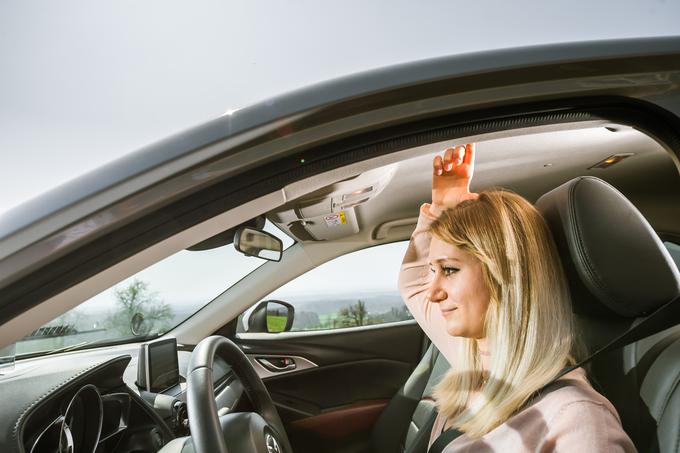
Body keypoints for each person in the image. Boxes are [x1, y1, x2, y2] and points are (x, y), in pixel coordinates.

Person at [399, 143, 636, 452]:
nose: (432, 292)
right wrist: (442, 209)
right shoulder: (475, 358)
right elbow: (414, 283)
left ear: (507, 275)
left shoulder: (576, 420)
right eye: (433, 269)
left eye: (450, 270)